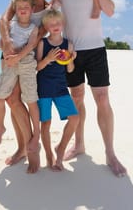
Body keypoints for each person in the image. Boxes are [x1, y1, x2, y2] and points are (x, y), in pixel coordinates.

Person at [59, 0, 127, 177]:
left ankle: (110, 152)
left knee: (102, 98)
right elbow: (53, 13)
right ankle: (79, 145)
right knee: (77, 98)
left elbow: (110, 10)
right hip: (71, 51)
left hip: (96, 49)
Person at [0, 0, 54, 173]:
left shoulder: (49, 10)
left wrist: (18, 55)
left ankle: (30, 148)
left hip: (27, 57)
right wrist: (6, 43)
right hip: (8, 51)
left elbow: (38, 36)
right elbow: (4, 20)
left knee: (15, 99)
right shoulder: (20, 0)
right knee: (11, 101)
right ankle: (22, 147)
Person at [0, 0, 40, 166]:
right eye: (19, 8)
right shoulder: (11, 25)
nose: (22, 10)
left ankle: (34, 139)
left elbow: (31, 45)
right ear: (15, 9)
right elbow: (2, 41)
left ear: (31, 9)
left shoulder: (34, 28)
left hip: (26, 62)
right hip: (10, 61)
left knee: (30, 100)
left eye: (26, 7)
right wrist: (6, 48)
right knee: (0, 98)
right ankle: (0, 128)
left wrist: (17, 57)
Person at [36, 9, 79, 171]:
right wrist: (48, 59)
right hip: (44, 89)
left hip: (61, 88)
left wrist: (70, 59)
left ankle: (60, 148)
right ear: (46, 26)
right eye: (51, 23)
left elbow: (70, 70)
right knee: (45, 123)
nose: (55, 26)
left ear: (63, 24)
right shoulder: (43, 43)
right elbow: (38, 67)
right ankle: (49, 154)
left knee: (74, 118)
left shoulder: (68, 44)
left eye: (58, 23)